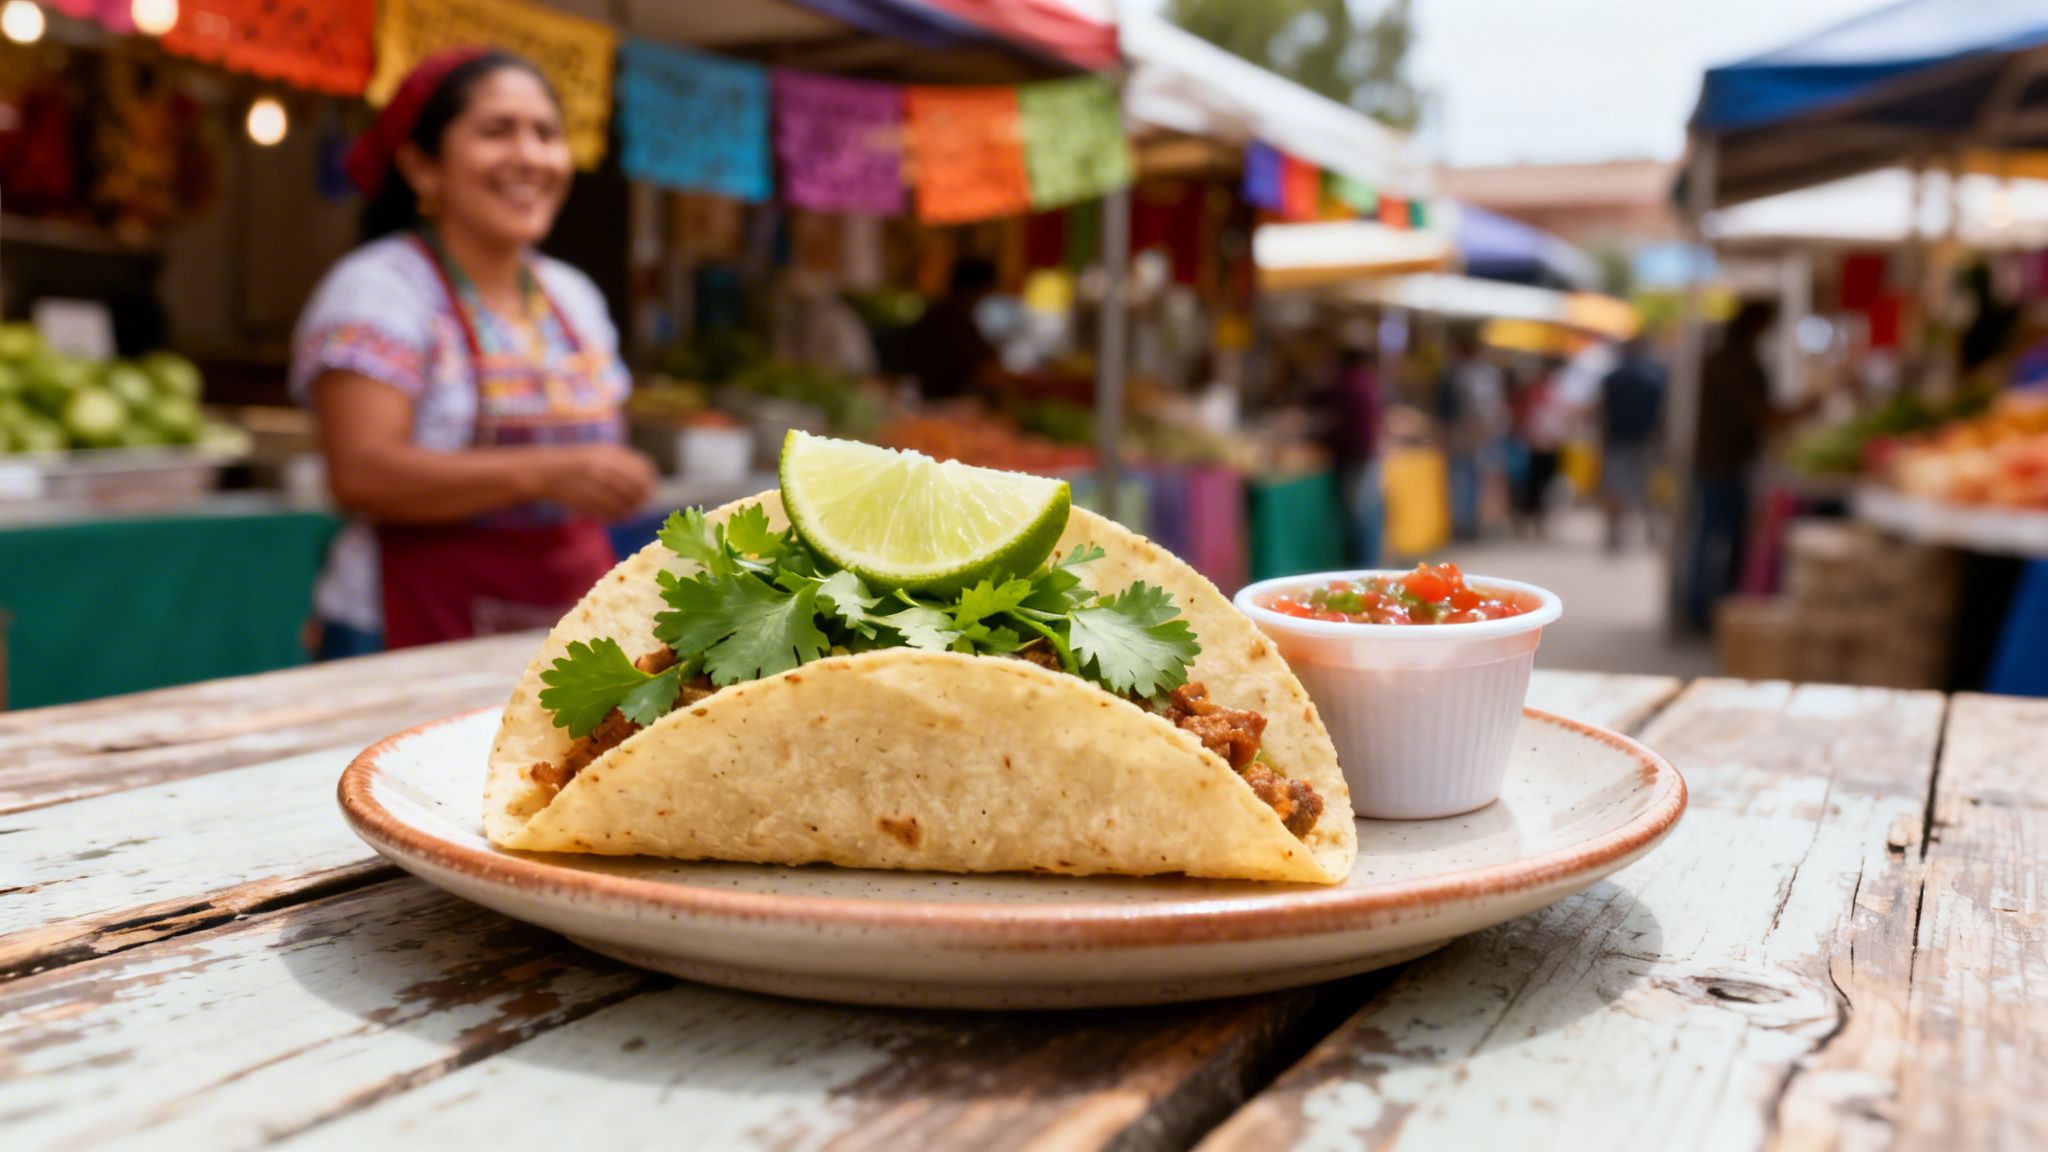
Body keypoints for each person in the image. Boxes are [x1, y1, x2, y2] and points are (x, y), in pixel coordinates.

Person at [292, 49, 656, 656]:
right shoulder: (380, 289)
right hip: (405, 626)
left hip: (568, 628)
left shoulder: (573, 295)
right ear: (422, 166)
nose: (531, 156)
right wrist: (547, 473)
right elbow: (360, 473)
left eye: (546, 133)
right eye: (497, 131)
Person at [1688, 302, 1775, 630]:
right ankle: (1709, 610)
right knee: (1720, 536)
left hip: (1719, 459)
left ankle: (1707, 607)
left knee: (1712, 535)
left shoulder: (1721, 359)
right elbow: (1757, 411)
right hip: (1723, 461)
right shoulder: (1736, 362)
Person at [1437, 327, 1509, 540]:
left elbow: (1481, 408)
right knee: (1470, 481)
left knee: (1468, 481)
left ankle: (1467, 524)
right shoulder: (1481, 373)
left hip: (1469, 435)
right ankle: (1467, 524)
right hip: (1474, 435)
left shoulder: (1469, 374)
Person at [902, 257, 1006, 403]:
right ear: (980, 288)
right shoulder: (954, 318)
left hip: (926, 401)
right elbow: (984, 371)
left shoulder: (940, 312)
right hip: (940, 404)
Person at [1597, 335, 1667, 551]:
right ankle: (1650, 530)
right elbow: (1660, 414)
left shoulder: (1613, 377)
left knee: (1614, 488)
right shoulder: (1654, 378)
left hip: (1616, 439)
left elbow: (1602, 410)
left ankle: (1614, 532)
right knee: (1646, 487)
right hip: (1643, 440)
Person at [1329, 344, 1386, 566]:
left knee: (1358, 514)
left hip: (1354, 457)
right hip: (1365, 454)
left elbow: (1343, 426)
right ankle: (1368, 561)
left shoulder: (1348, 385)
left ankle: (1361, 564)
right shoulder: (1366, 385)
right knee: (1367, 511)